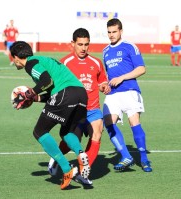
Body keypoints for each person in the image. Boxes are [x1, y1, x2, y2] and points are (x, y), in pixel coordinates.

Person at [10, 41, 91, 190]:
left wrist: (31, 92)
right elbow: (52, 90)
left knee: (39, 131)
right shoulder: (43, 60)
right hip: (80, 94)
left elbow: (47, 81)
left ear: (16, 57)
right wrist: (36, 98)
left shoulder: (30, 64)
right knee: (65, 131)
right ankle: (81, 154)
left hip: (65, 93)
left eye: (12, 58)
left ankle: (67, 169)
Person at [47, 28, 110, 185]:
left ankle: (84, 171)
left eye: (86, 44)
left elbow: (102, 81)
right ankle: (56, 158)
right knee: (72, 141)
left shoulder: (96, 62)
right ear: (72, 44)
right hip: (73, 110)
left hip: (93, 109)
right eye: (80, 44)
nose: (83, 48)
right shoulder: (64, 63)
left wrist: (103, 87)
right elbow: (56, 85)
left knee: (97, 132)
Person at [102, 18, 152, 172]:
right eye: (109, 32)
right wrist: (105, 85)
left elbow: (141, 69)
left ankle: (144, 159)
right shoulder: (105, 51)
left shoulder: (129, 46)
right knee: (108, 123)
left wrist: (122, 77)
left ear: (121, 31)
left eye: (114, 32)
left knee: (134, 123)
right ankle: (126, 156)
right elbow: (108, 76)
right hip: (113, 94)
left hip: (129, 90)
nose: (111, 35)